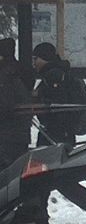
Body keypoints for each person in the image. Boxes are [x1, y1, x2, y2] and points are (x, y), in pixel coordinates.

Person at [31, 42, 86, 224]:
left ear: (44, 58)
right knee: (53, 178)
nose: (34, 63)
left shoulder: (53, 77)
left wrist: (40, 109)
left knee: (46, 177)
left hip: (55, 137)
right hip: (62, 135)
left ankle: (38, 215)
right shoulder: (61, 74)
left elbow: (58, 110)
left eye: (35, 59)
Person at [0, 38, 32, 168]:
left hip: (7, 134)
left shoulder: (5, 75)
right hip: (21, 133)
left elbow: (5, 105)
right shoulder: (21, 70)